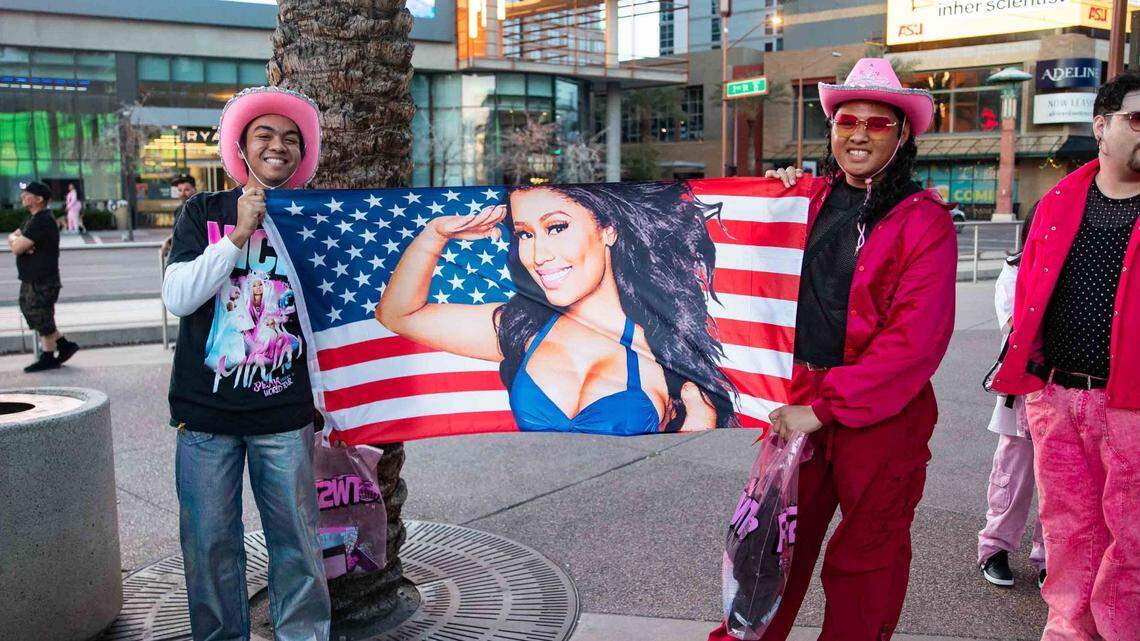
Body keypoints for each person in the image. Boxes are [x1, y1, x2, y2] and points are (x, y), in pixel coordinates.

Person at [709, 58, 958, 641]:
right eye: (849, 121)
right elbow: (743, 267)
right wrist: (775, 198)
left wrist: (824, 410)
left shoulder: (924, 223)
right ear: (832, 130)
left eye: (878, 125)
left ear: (902, 136)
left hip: (878, 415)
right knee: (767, 546)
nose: (860, 135)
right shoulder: (805, 200)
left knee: (866, 560)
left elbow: (914, 342)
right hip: (798, 397)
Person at [161, 86, 330, 641]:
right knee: (209, 546)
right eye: (265, 134)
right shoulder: (201, 212)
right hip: (205, 418)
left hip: (283, 416)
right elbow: (178, 297)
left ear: (301, 153)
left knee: (298, 544)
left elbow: (329, 319)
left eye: (290, 138)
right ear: (241, 145)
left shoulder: (314, 223)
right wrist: (236, 235)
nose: (277, 145)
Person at [376, 181, 738, 434]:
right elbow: (397, 314)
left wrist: (788, 187)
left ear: (608, 230)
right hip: (538, 525)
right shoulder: (521, 327)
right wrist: (434, 236)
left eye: (557, 227)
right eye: (525, 234)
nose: (538, 255)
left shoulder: (666, 344)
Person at [990, 73, 1140, 640]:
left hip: (1131, 402)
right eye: (1137, 118)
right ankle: (1068, 631)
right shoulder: (1058, 200)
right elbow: (1026, 292)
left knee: (1132, 539)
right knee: (1068, 532)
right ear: (1101, 126)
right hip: (1054, 396)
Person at [977, 209, 1046, 591]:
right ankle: (995, 548)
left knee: (1060, 482)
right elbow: (1014, 330)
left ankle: (1051, 556)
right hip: (1023, 390)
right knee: (1012, 475)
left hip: (1068, 392)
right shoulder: (1016, 270)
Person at [8, 180, 80, 373]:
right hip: (32, 277)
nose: (23, 196)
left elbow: (16, 247)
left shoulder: (42, 220)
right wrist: (15, 239)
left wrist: (17, 241)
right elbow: (14, 238)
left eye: (27, 194)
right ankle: (63, 345)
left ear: (39, 199)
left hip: (42, 279)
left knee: (41, 314)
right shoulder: (33, 219)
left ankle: (48, 356)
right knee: (31, 310)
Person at [161, 175, 198, 264]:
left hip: (191, 259)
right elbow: (178, 230)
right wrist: (169, 240)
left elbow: (187, 233)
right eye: (180, 190)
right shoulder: (179, 209)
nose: (182, 193)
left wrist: (169, 242)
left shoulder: (198, 209)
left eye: (186, 190)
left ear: (194, 190)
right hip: (180, 257)